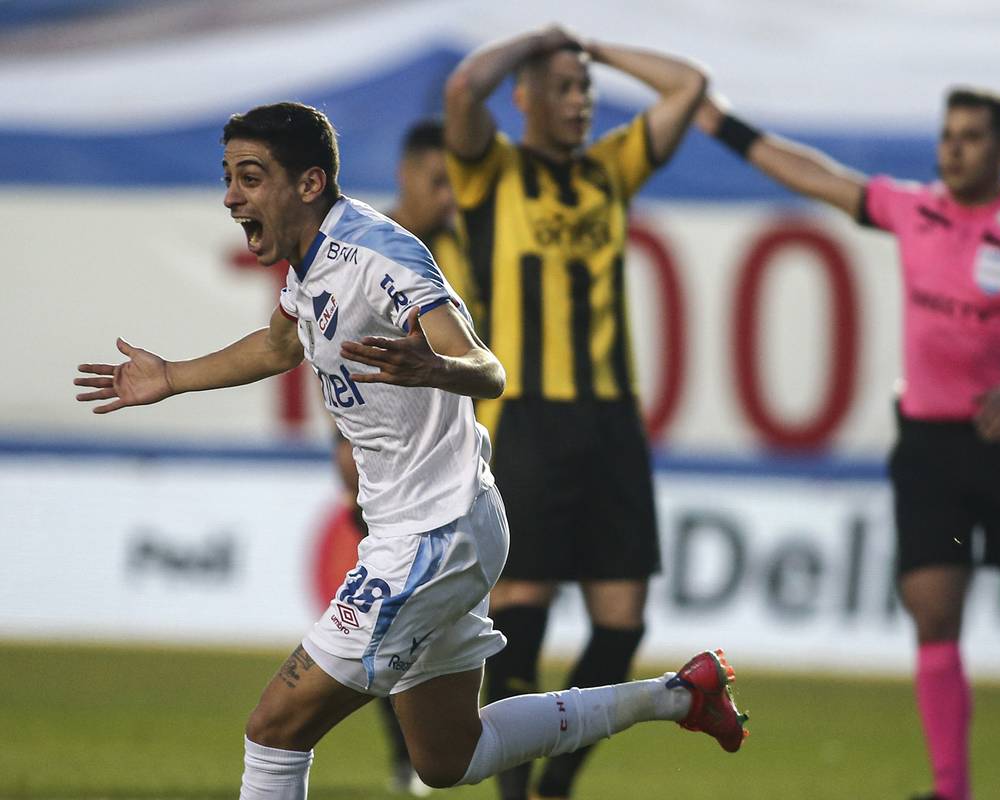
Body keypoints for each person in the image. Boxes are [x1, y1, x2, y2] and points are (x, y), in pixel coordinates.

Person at [74, 101, 746, 800]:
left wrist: (436, 368)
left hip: (435, 530)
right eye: (228, 177)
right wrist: (173, 377)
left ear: (308, 183)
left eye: (249, 177)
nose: (231, 196)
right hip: (439, 522)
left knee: (274, 727)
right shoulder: (310, 268)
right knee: (448, 755)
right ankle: (677, 696)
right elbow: (279, 344)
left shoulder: (378, 255)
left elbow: (488, 369)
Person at [694, 88, 1000, 800]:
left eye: (971, 137)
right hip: (930, 449)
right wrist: (722, 124)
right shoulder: (917, 210)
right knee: (934, 614)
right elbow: (814, 175)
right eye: (948, 135)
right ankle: (951, 789)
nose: (954, 149)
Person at [443, 26, 715, 800]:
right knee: (521, 616)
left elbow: (688, 85)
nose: (578, 100)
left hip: (610, 422)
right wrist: (540, 40)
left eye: (584, 88)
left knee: (623, 623)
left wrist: (594, 46)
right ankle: (512, 787)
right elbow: (464, 90)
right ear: (523, 98)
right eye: (560, 87)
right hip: (527, 420)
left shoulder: (608, 169)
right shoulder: (491, 171)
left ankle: (556, 785)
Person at [328, 116, 464, 797]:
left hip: (452, 471)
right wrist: (342, 451)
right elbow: (337, 363)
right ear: (407, 174)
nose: (451, 197)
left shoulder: (456, 252)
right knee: (392, 626)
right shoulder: (370, 252)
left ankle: (423, 756)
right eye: (440, 182)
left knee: (431, 625)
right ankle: (409, 759)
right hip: (386, 474)